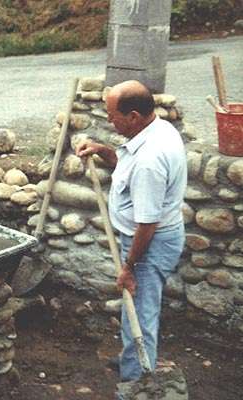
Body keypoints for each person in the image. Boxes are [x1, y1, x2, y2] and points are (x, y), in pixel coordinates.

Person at [76, 80, 187, 382]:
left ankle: (137, 380)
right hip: (151, 237)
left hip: (150, 243)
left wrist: (128, 267)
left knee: (140, 312)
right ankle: (132, 358)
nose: (109, 120)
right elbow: (125, 164)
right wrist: (101, 150)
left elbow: (147, 224)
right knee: (135, 308)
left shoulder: (151, 160)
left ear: (134, 116)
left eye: (112, 115)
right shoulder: (155, 130)